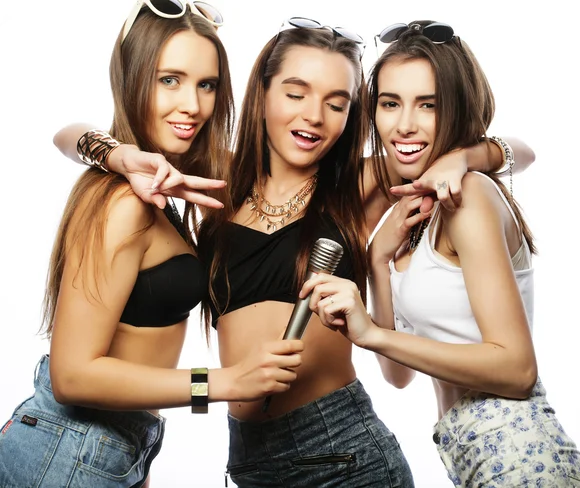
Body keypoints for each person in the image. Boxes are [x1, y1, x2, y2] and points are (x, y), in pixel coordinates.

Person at [52, 16, 538, 487]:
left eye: (336, 102)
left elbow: (522, 151)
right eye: (295, 92)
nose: (313, 116)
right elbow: (66, 134)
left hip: (341, 452)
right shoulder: (217, 182)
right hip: (248, 460)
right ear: (262, 92)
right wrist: (114, 154)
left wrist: (466, 156)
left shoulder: (358, 185)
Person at [0, 4, 304, 488]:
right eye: (170, 80)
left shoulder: (168, 181)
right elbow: (72, 375)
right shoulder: (125, 203)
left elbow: (67, 135)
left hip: (109, 446)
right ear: (132, 77)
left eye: (206, 85)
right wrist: (222, 383)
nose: (193, 105)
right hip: (68, 449)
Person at [300, 20, 580, 487]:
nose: (404, 125)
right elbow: (398, 375)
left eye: (428, 105)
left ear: (455, 109)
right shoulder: (419, 215)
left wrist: (468, 157)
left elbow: (517, 371)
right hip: (470, 456)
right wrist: (378, 260)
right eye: (390, 103)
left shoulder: (469, 197)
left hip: (521, 456)